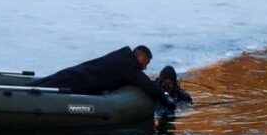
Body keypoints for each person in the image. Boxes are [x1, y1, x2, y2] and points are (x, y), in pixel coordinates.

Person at [32, 45, 176, 110]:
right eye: (146, 62)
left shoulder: (122, 57)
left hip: (74, 73)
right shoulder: (129, 66)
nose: (145, 67)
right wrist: (168, 102)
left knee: (39, 85)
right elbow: (148, 86)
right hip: (77, 81)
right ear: (139, 56)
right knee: (38, 92)